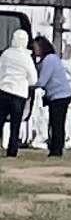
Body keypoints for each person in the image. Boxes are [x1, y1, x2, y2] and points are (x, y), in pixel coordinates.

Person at [31, 36, 71, 158]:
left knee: (56, 123)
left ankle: (56, 150)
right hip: (60, 95)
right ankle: (56, 147)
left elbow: (42, 81)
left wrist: (29, 85)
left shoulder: (49, 60)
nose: (35, 50)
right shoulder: (49, 59)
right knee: (56, 123)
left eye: (36, 47)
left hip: (59, 95)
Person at [0, 29, 37, 158]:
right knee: (15, 125)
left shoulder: (6, 54)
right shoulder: (26, 58)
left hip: (3, 91)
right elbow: (33, 79)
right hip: (19, 94)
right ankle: (12, 150)